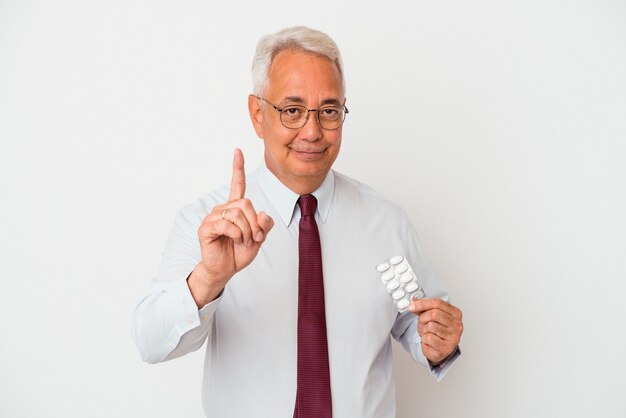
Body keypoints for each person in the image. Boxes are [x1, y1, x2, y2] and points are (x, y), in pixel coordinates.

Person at [132, 26, 463, 418]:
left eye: (328, 111)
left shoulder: (386, 222)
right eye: (292, 110)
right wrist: (209, 278)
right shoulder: (208, 225)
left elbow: (416, 321)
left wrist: (438, 343)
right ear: (258, 114)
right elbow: (151, 342)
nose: (312, 131)